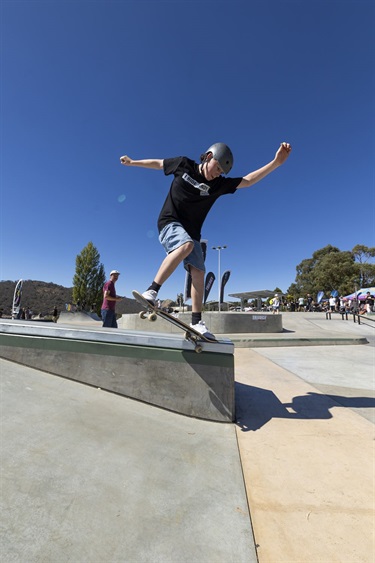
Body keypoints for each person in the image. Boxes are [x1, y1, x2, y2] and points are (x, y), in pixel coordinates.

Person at [120, 141, 292, 339]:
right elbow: (158, 163)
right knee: (186, 245)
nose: (218, 173)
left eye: (221, 172)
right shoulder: (183, 164)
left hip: (192, 233)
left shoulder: (218, 184)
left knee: (199, 272)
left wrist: (276, 162)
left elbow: (248, 180)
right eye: (217, 167)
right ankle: (151, 291)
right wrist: (133, 162)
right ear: (209, 157)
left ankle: (196, 322)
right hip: (169, 222)